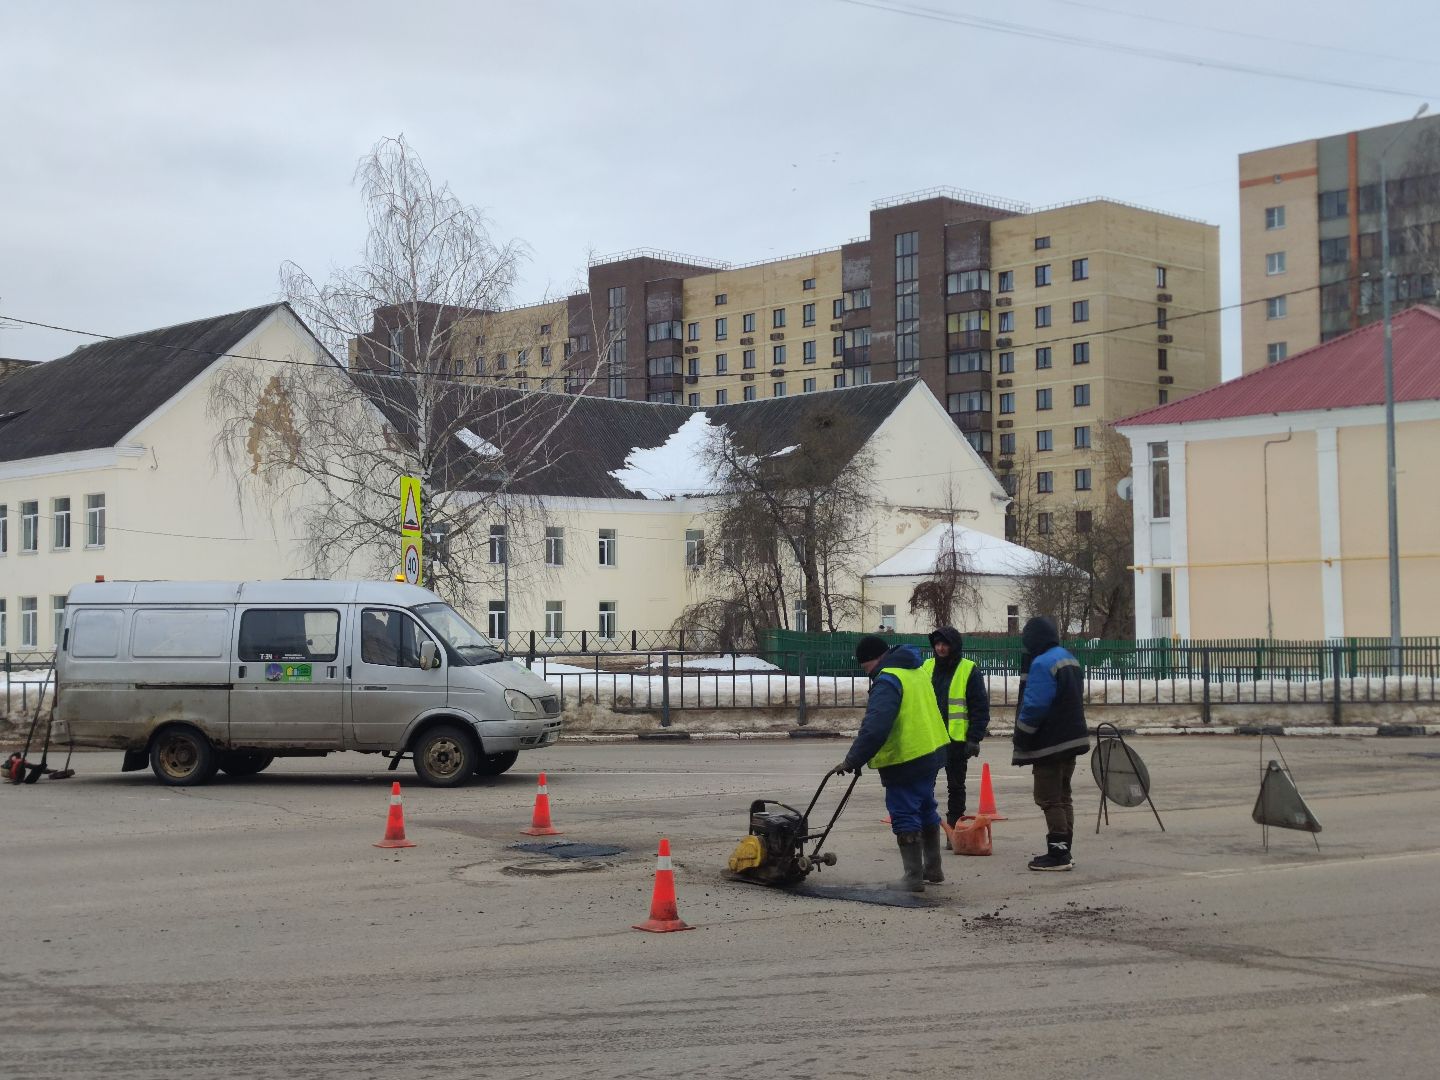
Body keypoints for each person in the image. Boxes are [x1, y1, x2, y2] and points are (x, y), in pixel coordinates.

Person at [832, 635, 950, 892]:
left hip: (906, 758)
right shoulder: (914, 669)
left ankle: (913, 877)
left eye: (866, 668)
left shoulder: (887, 679)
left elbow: (875, 727)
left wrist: (853, 759)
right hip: (931, 750)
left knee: (904, 812)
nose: (869, 673)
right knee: (926, 806)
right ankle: (933, 868)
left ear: (873, 660)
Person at [1012, 616, 1090, 871]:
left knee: (1049, 799)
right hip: (1071, 740)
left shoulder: (1041, 663)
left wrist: (1022, 735)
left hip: (1050, 743)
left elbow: (1035, 705)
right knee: (1064, 797)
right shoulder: (1067, 657)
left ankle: (1057, 855)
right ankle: (1065, 849)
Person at [923, 627, 990, 836]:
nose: (941, 648)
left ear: (954, 646)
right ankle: (928, 830)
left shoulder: (968, 669)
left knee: (956, 788)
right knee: (925, 787)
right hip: (931, 739)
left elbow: (979, 706)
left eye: (945, 644)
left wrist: (974, 738)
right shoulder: (926, 666)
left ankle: (954, 831)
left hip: (956, 741)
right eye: (937, 644)